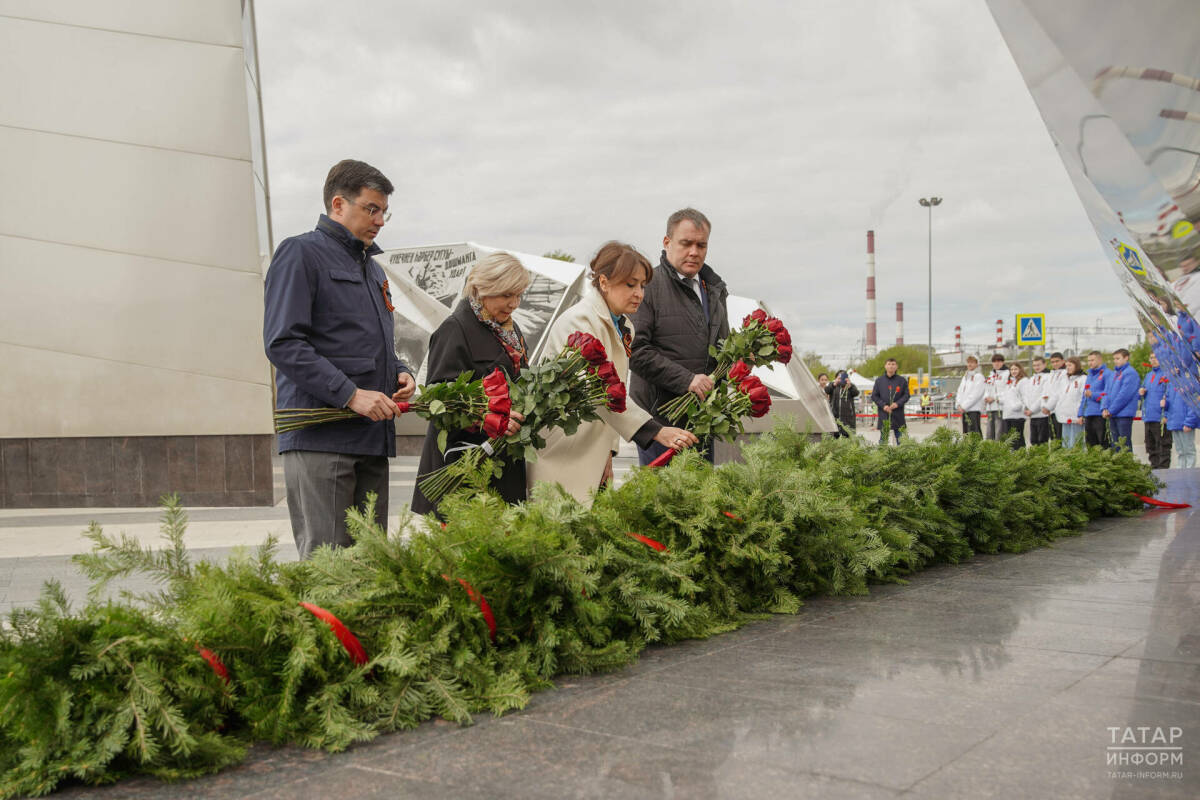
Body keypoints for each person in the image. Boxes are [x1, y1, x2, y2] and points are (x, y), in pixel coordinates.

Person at [264, 159, 417, 559]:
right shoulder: (300, 254)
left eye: (384, 212)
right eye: (372, 209)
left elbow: (370, 345)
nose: (380, 221)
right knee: (330, 568)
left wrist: (400, 373)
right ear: (338, 204)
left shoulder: (374, 270)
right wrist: (351, 394)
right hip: (322, 439)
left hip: (371, 438)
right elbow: (283, 343)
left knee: (372, 566)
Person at [528, 242, 698, 503]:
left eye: (642, 285)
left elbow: (614, 391)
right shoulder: (579, 321)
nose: (639, 294)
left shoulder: (623, 325)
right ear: (604, 282)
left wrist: (608, 450)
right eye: (630, 285)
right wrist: (656, 431)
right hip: (565, 449)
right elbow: (597, 390)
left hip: (590, 448)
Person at [411, 253, 531, 517]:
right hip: (463, 467)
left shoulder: (510, 330)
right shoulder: (454, 329)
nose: (514, 304)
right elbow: (437, 401)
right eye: (506, 295)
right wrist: (491, 416)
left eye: (518, 295)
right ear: (482, 288)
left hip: (501, 464)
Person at [630, 208, 729, 465]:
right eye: (686, 243)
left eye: (701, 245)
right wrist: (687, 380)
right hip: (661, 425)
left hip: (702, 420)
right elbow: (635, 351)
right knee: (662, 491)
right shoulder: (647, 286)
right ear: (667, 242)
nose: (694, 252)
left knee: (702, 491)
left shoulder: (715, 290)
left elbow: (721, 349)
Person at [1101, 348, 1139, 452]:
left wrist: (1111, 410)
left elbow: (1124, 395)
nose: (1115, 361)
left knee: (1124, 444)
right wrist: (1104, 407)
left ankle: (1127, 462)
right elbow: (1106, 392)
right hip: (1112, 414)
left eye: (1118, 358)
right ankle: (1118, 462)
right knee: (1115, 443)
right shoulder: (1114, 374)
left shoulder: (1130, 373)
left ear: (1126, 358)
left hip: (1124, 414)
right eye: (1114, 359)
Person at [1140, 351, 1172, 469]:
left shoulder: (1167, 375)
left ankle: (1163, 472)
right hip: (1149, 416)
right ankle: (1154, 469)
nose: (1153, 360)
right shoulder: (1148, 375)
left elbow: (1170, 396)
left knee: (1163, 446)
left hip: (1160, 418)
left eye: (1156, 358)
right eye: (1151, 358)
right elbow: (1142, 393)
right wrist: (1141, 392)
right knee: (1150, 446)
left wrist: (1166, 414)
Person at [869, 358, 909, 444]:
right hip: (884, 414)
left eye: (893, 364)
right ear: (885, 366)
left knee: (902, 441)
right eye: (889, 364)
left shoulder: (902, 380)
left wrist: (897, 404)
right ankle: (882, 453)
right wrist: (883, 406)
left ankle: (903, 453)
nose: (891, 366)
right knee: (883, 441)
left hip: (898, 415)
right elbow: (874, 396)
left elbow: (906, 395)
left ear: (896, 367)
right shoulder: (879, 381)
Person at [1053, 356, 1087, 448]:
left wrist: (1081, 414)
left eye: (1070, 365)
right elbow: (1060, 396)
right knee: (1066, 443)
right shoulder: (1065, 379)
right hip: (1065, 416)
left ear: (1076, 365)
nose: (1068, 368)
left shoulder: (1083, 378)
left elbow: (1083, 398)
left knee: (1076, 442)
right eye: (1066, 366)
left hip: (1076, 416)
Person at [1080, 350, 1110, 448]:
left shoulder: (1107, 373)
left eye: (1092, 360)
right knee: (1090, 442)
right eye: (1088, 360)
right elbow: (1084, 396)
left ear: (1100, 360)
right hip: (1088, 413)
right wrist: (1080, 413)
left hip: (1100, 413)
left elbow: (1108, 393)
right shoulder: (1089, 375)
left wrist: (1093, 395)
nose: (1090, 363)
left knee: (1102, 441)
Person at [1165, 382, 1198, 468]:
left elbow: (1194, 404)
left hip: (1185, 423)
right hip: (1174, 422)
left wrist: (1189, 422)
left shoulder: (1189, 381)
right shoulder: (1171, 383)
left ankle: (1190, 472)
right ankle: (1180, 471)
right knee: (1180, 451)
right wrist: (1165, 406)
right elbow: (1168, 401)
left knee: (1189, 451)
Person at [954, 355, 986, 435]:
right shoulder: (965, 377)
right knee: (966, 434)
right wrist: (958, 404)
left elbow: (976, 394)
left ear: (976, 364)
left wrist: (964, 406)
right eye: (968, 362)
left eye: (972, 362)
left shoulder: (979, 377)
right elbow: (960, 392)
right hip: (964, 410)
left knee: (974, 434)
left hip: (974, 410)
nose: (969, 364)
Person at [1000, 362, 1029, 449]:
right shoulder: (1010, 382)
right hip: (1008, 415)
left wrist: (1017, 406)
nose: (1013, 371)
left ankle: (1020, 455)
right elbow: (1007, 397)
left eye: (1015, 369)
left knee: (1018, 439)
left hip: (1017, 415)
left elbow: (1025, 397)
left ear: (1020, 369)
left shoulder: (1023, 381)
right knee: (1010, 440)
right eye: (1011, 369)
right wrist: (999, 399)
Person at [1025, 356, 1053, 445]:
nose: (1036, 367)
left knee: (1042, 440)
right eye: (1034, 365)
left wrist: (1032, 410)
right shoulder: (1032, 378)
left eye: (1039, 365)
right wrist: (1028, 408)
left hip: (1042, 414)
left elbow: (1043, 396)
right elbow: (1027, 395)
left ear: (1044, 364)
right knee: (1033, 440)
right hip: (1033, 415)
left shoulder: (1048, 377)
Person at [825, 370, 860, 438]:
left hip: (848, 418)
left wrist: (850, 386)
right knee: (835, 438)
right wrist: (834, 384)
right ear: (836, 378)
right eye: (839, 377)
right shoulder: (833, 385)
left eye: (843, 377)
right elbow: (826, 391)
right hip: (835, 417)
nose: (841, 379)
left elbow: (856, 393)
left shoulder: (850, 385)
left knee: (848, 437)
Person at [983, 354, 1009, 440]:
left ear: (1003, 362)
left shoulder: (1007, 374)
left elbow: (1007, 390)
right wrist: (986, 397)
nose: (996, 363)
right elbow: (986, 389)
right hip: (990, 408)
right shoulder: (991, 375)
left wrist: (994, 398)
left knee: (999, 434)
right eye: (994, 361)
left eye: (999, 361)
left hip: (1000, 408)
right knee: (989, 434)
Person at [1046, 352, 1068, 439]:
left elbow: (1059, 393)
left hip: (1060, 409)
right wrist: (1046, 405)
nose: (1055, 364)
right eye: (1053, 362)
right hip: (1051, 410)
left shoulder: (1065, 373)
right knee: (1053, 436)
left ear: (1063, 361)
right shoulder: (1052, 374)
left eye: (1057, 361)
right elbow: (1048, 391)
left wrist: (1049, 406)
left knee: (1060, 436)